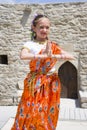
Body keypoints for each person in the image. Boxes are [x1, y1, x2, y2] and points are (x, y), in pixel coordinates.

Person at [11, 14, 73, 130]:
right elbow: (23, 55)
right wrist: (43, 55)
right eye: (41, 27)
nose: (44, 30)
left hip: (51, 83)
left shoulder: (52, 45)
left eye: (47, 27)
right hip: (36, 83)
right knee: (33, 110)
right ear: (34, 28)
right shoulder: (29, 44)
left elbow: (70, 56)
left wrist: (52, 55)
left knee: (49, 111)